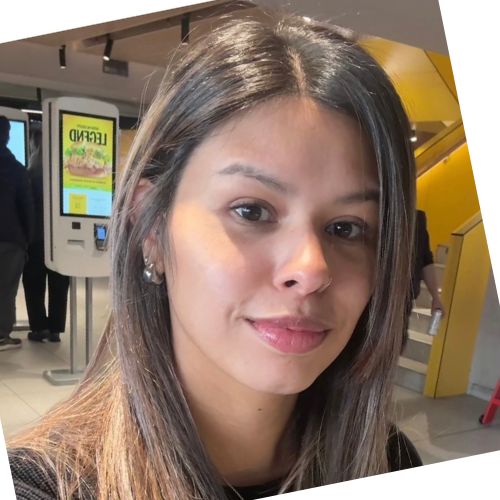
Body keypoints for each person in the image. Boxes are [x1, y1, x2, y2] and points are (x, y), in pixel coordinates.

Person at [8, 14, 421, 499]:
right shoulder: (41, 487)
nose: (311, 269)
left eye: (346, 228)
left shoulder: (393, 462)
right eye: (251, 211)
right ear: (152, 230)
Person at [22, 126, 70, 343]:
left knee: (33, 283)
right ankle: (55, 330)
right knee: (59, 284)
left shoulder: (30, 171)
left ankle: (39, 327)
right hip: (60, 238)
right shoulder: (62, 170)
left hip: (35, 238)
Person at [0, 115, 34, 351]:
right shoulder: (16, 169)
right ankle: (2, 335)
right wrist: (27, 240)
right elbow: (27, 208)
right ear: (7, 136)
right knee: (6, 289)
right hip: (10, 240)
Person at [402, 209, 445, 350]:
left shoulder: (417, 219)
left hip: (403, 302)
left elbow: (426, 259)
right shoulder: (375, 210)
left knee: (395, 347)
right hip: (372, 301)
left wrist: (436, 297)